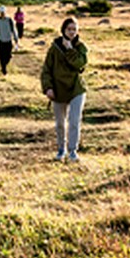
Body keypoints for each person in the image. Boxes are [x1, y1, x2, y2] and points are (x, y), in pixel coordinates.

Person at [41, 16, 88, 161]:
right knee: (60, 123)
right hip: (58, 90)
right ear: (63, 30)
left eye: (74, 29)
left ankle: (73, 151)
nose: (72, 32)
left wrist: (70, 50)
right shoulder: (54, 48)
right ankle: (62, 149)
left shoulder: (80, 47)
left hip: (76, 89)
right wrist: (48, 88)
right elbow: (46, 69)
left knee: (74, 121)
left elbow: (80, 64)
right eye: (69, 29)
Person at [0, 4, 20, 75]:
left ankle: (4, 65)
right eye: (1, 12)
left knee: (8, 56)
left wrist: (16, 40)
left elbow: (14, 30)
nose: (2, 14)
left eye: (3, 12)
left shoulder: (10, 20)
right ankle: (3, 69)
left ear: (5, 12)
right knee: (1, 56)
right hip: (1, 41)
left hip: (8, 41)